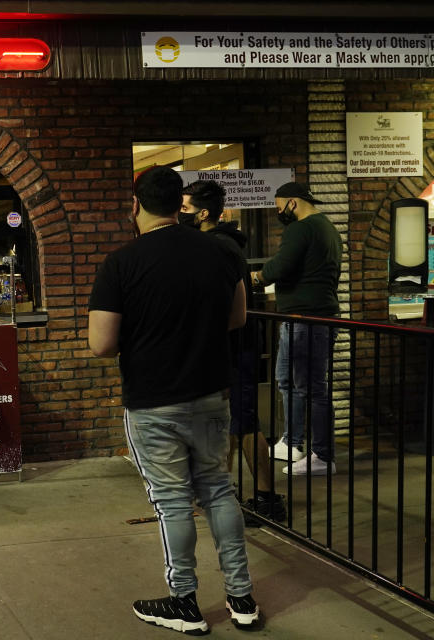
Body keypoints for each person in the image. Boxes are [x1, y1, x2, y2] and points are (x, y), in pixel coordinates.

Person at [89, 166, 258, 635]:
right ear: (180, 205)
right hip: (209, 393)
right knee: (219, 491)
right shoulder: (222, 252)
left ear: (136, 205)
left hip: (152, 400)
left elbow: (101, 344)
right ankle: (242, 598)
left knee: (172, 504)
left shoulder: (120, 264)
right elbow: (238, 316)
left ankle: (184, 601)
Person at [180, 180, 286, 524]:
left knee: (243, 421)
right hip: (232, 347)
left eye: (185, 209)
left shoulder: (219, 248)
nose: (181, 214)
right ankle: (224, 492)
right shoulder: (219, 244)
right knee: (230, 422)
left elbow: (224, 304)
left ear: (204, 213)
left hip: (236, 348)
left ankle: (267, 499)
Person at [250, 182, 342, 476]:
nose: (279, 213)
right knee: (288, 381)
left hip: (305, 320)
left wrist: (255, 277)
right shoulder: (326, 227)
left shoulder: (301, 229)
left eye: (279, 207)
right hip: (311, 318)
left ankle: (322, 456)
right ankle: (292, 442)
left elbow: (281, 267)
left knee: (310, 387)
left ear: (293, 202)